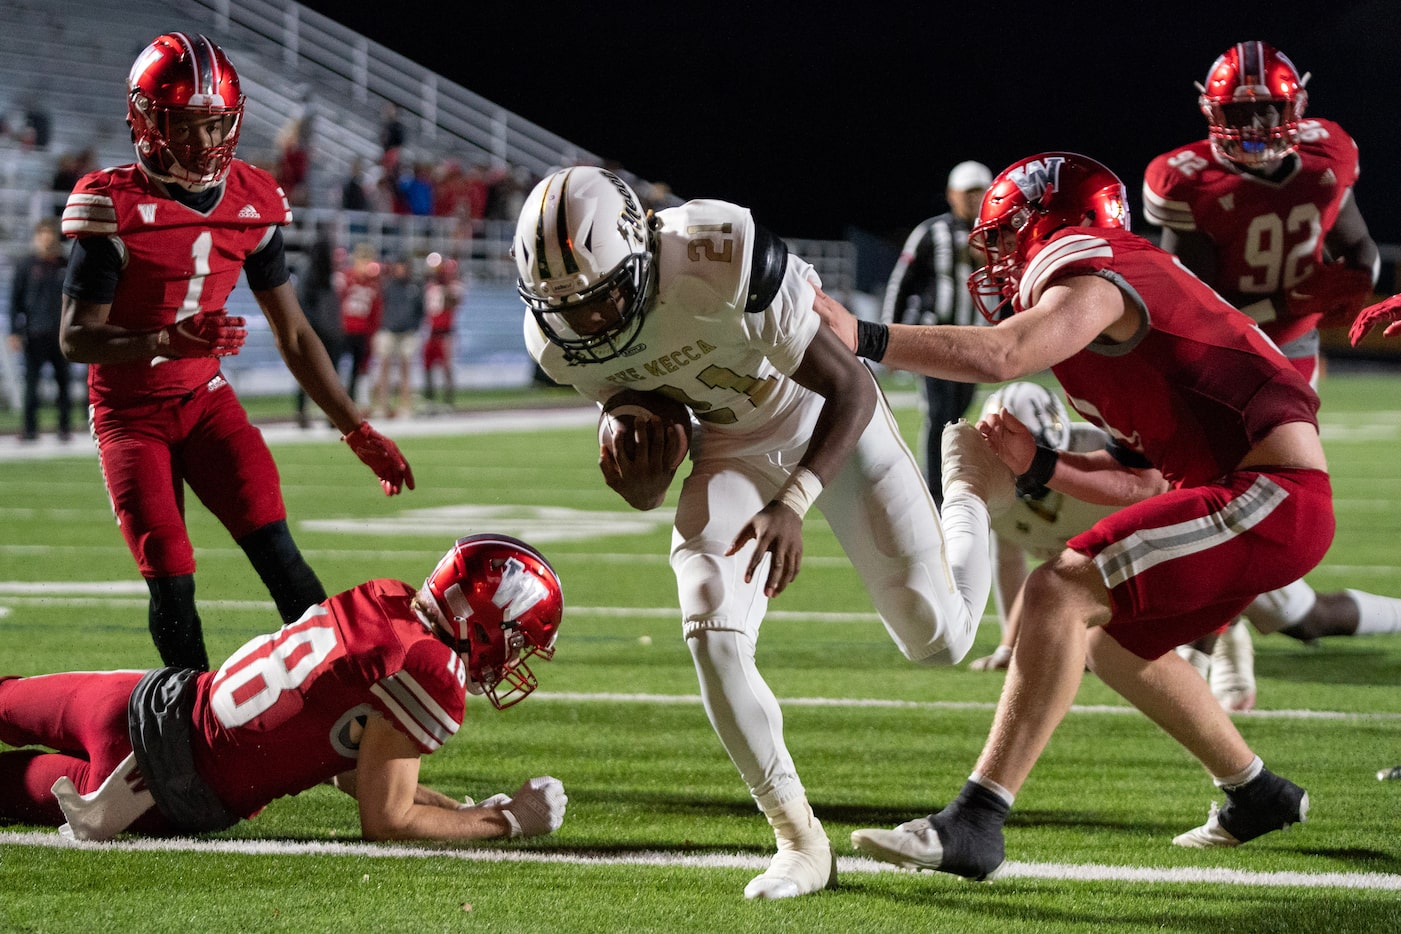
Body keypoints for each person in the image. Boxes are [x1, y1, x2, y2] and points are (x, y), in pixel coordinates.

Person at [818, 152, 1332, 877]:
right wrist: (1036, 467)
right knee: (1113, 645)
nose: (992, 258)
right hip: (1250, 495)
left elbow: (1003, 354)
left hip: (1269, 491)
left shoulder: (1092, 266)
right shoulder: (1102, 327)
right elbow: (1142, 480)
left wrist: (864, 336)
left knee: (1056, 589)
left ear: (1046, 225)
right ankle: (1255, 793)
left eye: (1001, 236)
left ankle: (975, 820)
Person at [514, 165, 998, 900]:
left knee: (938, 639)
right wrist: (641, 473)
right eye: (567, 306)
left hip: (823, 416)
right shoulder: (557, 341)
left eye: (602, 296)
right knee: (709, 621)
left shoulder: (718, 254)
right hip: (730, 446)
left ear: (640, 252)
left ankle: (968, 495)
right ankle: (798, 839)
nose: (587, 323)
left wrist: (795, 500)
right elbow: (651, 445)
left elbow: (851, 386)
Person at [58, 33, 414, 672]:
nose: (201, 143)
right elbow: (75, 338)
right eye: (185, 126)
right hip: (130, 417)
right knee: (171, 574)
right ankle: (189, 731)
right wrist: (164, 340)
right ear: (144, 120)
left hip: (205, 402)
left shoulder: (253, 199)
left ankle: (336, 698)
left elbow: (296, 333)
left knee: (279, 552)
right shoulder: (112, 205)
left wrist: (355, 428)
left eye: (215, 124)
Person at [0, 533, 568, 844]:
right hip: (152, 784)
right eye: (517, 639)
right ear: (486, 620)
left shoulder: (384, 598)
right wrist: (510, 820)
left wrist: (461, 809)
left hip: (141, 699)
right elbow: (387, 820)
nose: (514, 655)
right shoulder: (430, 673)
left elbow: (353, 767)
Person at [1142, 40, 1381, 692]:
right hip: (1218, 347)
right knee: (1207, 492)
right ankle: (1205, 636)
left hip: (1293, 350)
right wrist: (1283, 299)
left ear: (1293, 105)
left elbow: (1359, 251)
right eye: (1238, 113)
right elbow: (1189, 300)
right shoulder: (1185, 176)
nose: (1251, 128)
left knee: (1262, 494)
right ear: (1209, 110)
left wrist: (1353, 284)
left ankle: (1204, 639)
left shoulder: (1327, 154)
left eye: (1266, 110)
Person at [968, 383, 1401, 714]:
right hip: (1147, 568)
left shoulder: (1100, 453)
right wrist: (1013, 645)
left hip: (1205, 543)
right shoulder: (992, 492)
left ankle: (1232, 637)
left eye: (1031, 458)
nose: (1021, 473)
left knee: (1306, 619)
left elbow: (1185, 511)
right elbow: (1009, 558)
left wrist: (1205, 631)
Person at [881, 160, 993, 505]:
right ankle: (934, 490)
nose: (974, 201)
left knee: (960, 416)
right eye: (967, 193)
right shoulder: (932, 232)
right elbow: (902, 283)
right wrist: (889, 339)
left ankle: (953, 483)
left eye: (980, 193)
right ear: (951, 195)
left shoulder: (997, 234)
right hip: (938, 339)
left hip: (978, 340)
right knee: (938, 414)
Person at [8, 217, 73, 442]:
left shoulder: (65, 264)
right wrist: (14, 332)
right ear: (37, 237)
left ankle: (64, 428)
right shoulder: (26, 265)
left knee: (63, 382)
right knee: (31, 384)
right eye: (42, 234)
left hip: (61, 334)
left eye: (50, 234)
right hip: (34, 334)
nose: (46, 238)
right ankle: (29, 429)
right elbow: (15, 301)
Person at [293, 225, 345, 428]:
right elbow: (306, 304)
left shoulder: (326, 273)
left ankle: (329, 415)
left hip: (326, 330)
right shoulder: (313, 272)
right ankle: (306, 413)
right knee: (314, 374)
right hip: (320, 330)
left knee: (322, 374)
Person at [370, 256, 423, 418]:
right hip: (388, 330)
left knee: (405, 369)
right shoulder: (388, 286)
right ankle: (382, 405)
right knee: (384, 368)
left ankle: (405, 405)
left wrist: (414, 327)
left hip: (407, 332)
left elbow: (421, 310)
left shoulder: (415, 287)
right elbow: (379, 307)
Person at [336, 242, 384, 406]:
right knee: (336, 367)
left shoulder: (374, 284)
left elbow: (375, 312)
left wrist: (373, 334)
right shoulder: (345, 278)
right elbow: (336, 303)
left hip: (362, 332)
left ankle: (351, 402)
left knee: (357, 370)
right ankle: (334, 403)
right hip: (344, 330)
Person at [421, 253, 464, 411]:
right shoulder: (429, 286)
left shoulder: (452, 286)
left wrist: (445, 282)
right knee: (428, 366)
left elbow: (453, 302)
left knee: (446, 366)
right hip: (431, 330)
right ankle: (429, 400)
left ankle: (448, 401)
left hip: (446, 332)